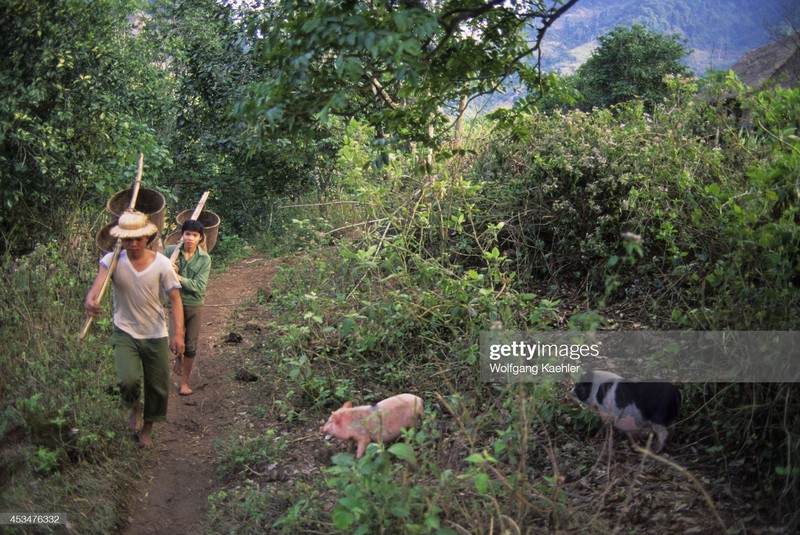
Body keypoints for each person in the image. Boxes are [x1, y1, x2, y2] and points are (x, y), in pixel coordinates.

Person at [85, 210, 185, 448]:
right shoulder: (111, 261)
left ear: (147, 238)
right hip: (125, 330)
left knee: (158, 387)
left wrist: (178, 333)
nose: (133, 243)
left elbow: (176, 299)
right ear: (121, 239)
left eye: (138, 239)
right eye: (128, 239)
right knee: (127, 381)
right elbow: (96, 288)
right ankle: (135, 408)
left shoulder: (162, 264)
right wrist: (91, 301)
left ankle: (147, 429)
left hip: (155, 333)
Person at [164, 219, 211, 396]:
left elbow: (199, 286)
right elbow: (159, 273)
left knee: (190, 345)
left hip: (194, 304)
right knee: (175, 341)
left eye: (195, 235)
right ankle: (178, 357)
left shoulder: (204, 259)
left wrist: (179, 278)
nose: (190, 238)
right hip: (174, 302)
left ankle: (185, 382)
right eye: (187, 234)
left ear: (200, 238)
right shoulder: (170, 252)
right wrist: (169, 269)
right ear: (182, 235)